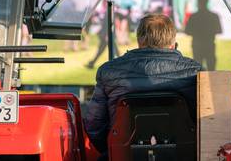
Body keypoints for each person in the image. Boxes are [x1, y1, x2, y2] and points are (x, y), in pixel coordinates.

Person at [84, 14, 201, 159]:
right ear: (172, 42)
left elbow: (94, 125)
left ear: (139, 40)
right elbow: (207, 123)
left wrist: (113, 149)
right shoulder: (195, 72)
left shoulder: (108, 71)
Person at [185, 0, 222, 71]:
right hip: (209, 45)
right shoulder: (214, 16)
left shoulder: (193, 16)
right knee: (211, 71)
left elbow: (187, 31)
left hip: (197, 46)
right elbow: (219, 30)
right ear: (207, 1)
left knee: (198, 71)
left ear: (198, 1)